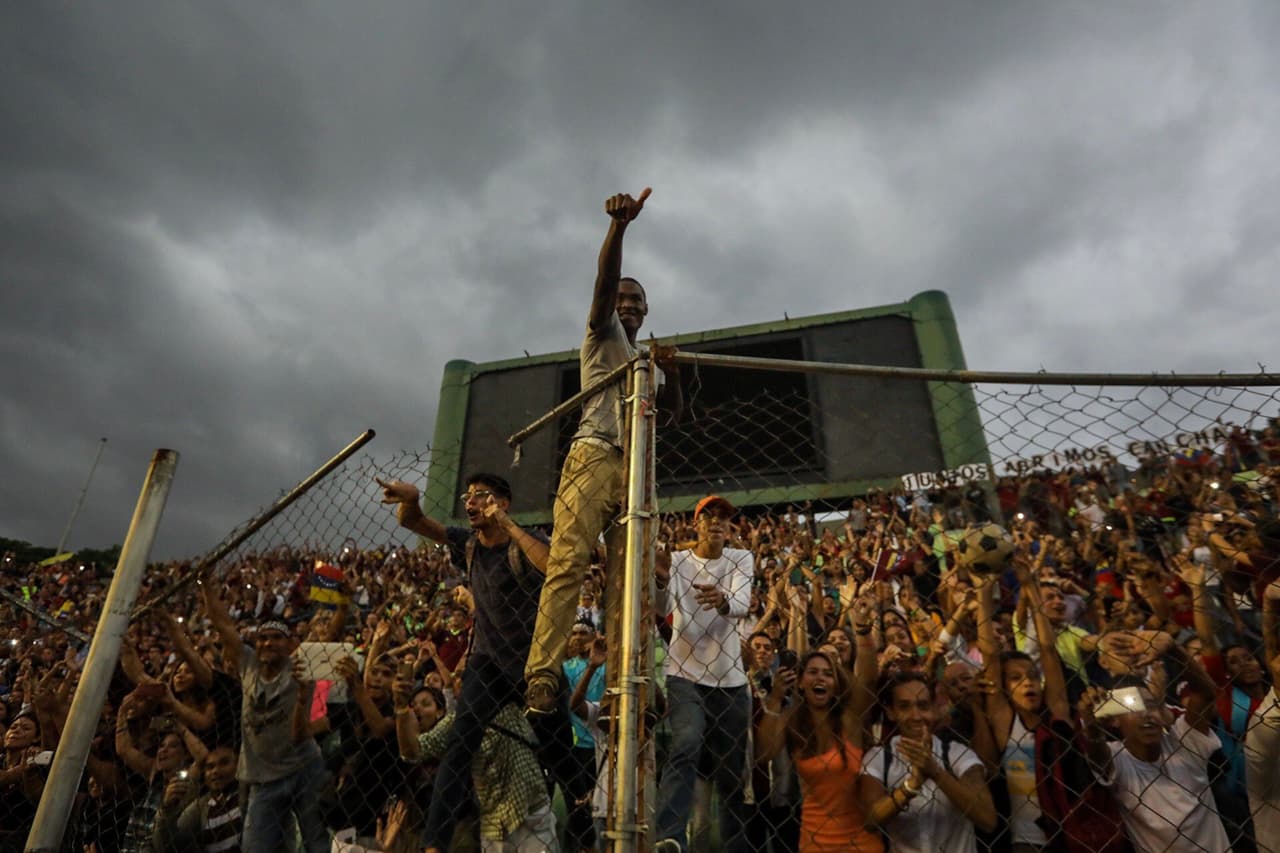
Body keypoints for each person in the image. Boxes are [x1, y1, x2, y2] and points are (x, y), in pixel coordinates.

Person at [525, 186, 681, 711]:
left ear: (647, 311)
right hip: (594, 452)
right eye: (625, 299)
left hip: (634, 473)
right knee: (568, 562)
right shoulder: (601, 333)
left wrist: (673, 375)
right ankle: (543, 674)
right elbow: (603, 283)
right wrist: (619, 229)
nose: (630, 306)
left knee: (629, 581)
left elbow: (662, 422)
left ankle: (624, 678)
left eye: (639, 302)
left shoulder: (647, 365)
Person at [378, 472, 549, 853]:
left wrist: (508, 525)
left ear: (503, 503)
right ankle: (435, 844)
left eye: (481, 496)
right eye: (467, 496)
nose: (470, 503)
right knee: (460, 744)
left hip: (533, 662)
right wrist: (411, 498)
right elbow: (415, 522)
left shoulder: (526, 540)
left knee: (559, 746)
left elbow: (551, 565)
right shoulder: (468, 544)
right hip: (488, 663)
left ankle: (585, 832)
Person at [652, 495, 754, 852]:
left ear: (730, 528)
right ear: (695, 524)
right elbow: (660, 608)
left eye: (724, 518)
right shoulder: (678, 561)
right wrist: (663, 579)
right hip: (685, 671)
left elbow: (741, 604)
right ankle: (668, 836)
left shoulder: (741, 558)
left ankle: (734, 845)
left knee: (731, 773)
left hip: (730, 678)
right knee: (686, 742)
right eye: (708, 517)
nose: (716, 522)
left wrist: (723, 600)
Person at [201, 586, 330, 853]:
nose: (267, 643)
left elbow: (331, 635)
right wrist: (206, 584)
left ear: (290, 643)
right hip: (263, 779)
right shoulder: (248, 663)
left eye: (275, 638)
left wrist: (341, 606)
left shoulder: (300, 665)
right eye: (262, 638)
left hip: (303, 768)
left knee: (317, 844)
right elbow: (223, 625)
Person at [859, 672, 997, 853]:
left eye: (923, 706)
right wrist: (910, 787)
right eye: (904, 707)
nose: (916, 716)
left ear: (933, 709)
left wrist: (935, 772)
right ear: (891, 712)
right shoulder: (880, 758)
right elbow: (870, 820)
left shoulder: (956, 753)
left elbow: (987, 819)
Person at [153, 743, 244, 851]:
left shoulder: (247, 791)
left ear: (238, 765)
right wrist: (167, 809)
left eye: (224, 763)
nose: (215, 771)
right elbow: (165, 844)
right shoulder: (201, 806)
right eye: (210, 767)